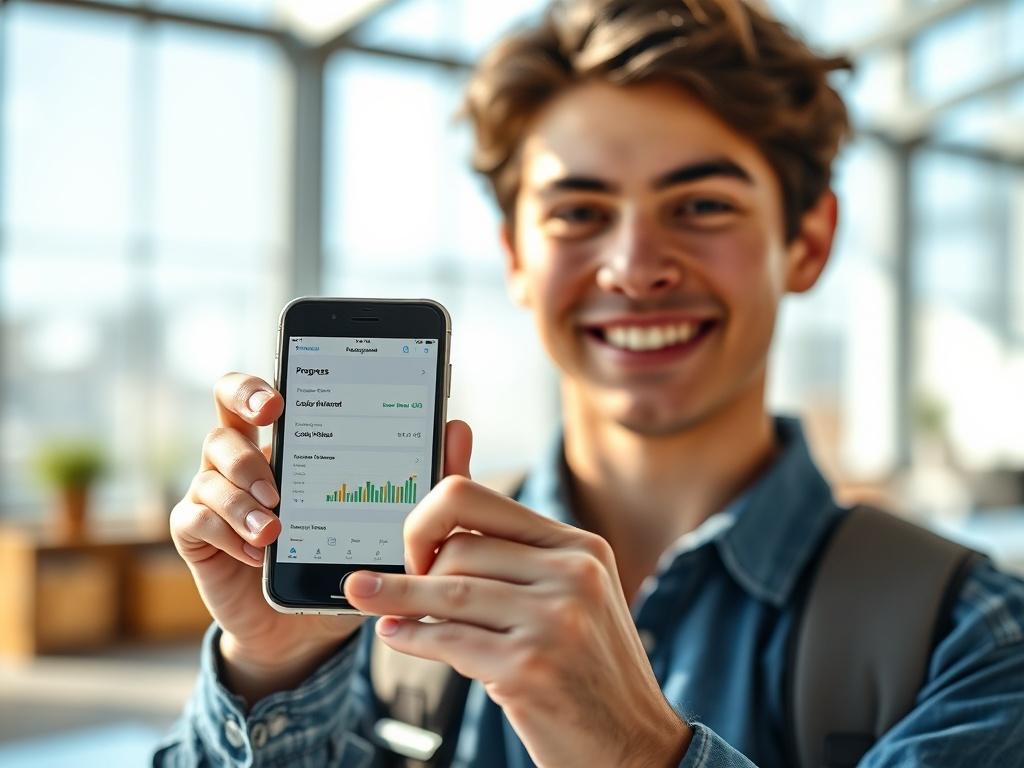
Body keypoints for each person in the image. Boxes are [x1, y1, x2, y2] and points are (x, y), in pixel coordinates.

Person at [154, 0, 1024, 766]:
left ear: (807, 240)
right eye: (578, 212)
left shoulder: (979, 641)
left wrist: (639, 755)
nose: (635, 268)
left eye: (702, 206)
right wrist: (275, 668)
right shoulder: (382, 619)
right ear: (515, 257)